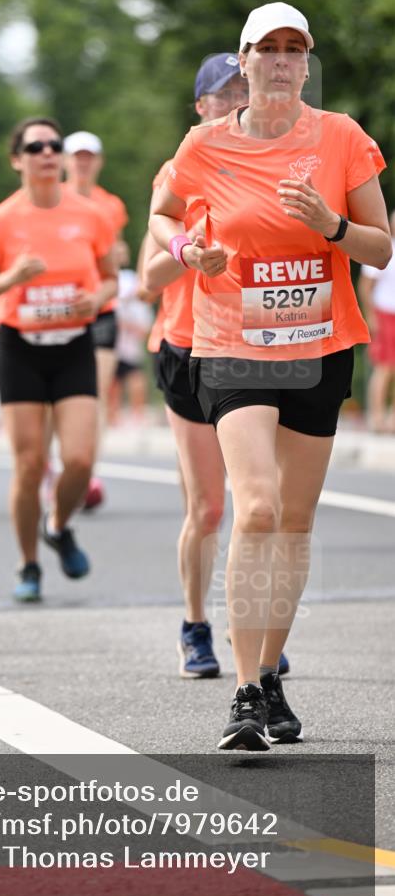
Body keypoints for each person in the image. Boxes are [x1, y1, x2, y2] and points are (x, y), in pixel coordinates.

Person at [149, 2, 390, 750]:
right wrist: (188, 251)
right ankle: (247, 693)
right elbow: (159, 218)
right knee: (252, 509)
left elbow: (379, 249)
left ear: (305, 62)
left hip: (318, 347)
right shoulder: (203, 146)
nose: (282, 61)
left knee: (292, 521)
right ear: (243, 60)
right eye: (268, 49)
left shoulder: (341, 136)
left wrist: (328, 225)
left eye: (295, 50)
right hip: (231, 343)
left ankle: (270, 675)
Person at [143, 54, 272, 679]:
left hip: (249, 346)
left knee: (259, 502)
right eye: (223, 93)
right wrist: (190, 251)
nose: (235, 99)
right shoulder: (181, 168)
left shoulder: (270, 160)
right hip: (189, 346)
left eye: (242, 89)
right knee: (210, 508)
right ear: (201, 107)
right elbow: (148, 276)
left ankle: (248, 631)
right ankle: (195, 625)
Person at [0, 117, 117, 602]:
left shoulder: (89, 214)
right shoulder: (2, 219)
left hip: (72, 345)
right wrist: (11, 278)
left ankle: (59, 524)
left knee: (79, 460)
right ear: (18, 160)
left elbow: (112, 277)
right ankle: (28, 565)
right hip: (20, 347)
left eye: (55, 145)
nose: (47, 153)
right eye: (36, 147)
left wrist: (97, 299)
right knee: (29, 465)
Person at [64, 130, 129, 509]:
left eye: (89, 157)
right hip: (63, 310)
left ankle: (89, 472)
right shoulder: (54, 199)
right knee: (63, 397)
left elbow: (118, 251)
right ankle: (64, 465)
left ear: (98, 162)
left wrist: (109, 253)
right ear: (66, 162)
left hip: (101, 308)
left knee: (96, 395)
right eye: (77, 157)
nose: (83, 163)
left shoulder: (110, 205)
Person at [359, 209, 395, 432]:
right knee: (384, 368)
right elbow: (365, 286)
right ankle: (377, 417)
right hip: (385, 314)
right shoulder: (383, 249)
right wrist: (371, 316)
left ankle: (392, 420)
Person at [109, 267, 154, 426]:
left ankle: (138, 416)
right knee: (113, 385)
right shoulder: (114, 305)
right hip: (114, 351)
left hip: (132, 352)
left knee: (136, 381)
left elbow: (144, 330)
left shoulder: (140, 307)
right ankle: (112, 418)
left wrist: (127, 325)